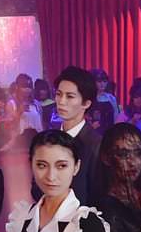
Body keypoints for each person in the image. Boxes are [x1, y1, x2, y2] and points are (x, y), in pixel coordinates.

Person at [33, 66, 102, 205]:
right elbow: (35, 187)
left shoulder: (96, 144)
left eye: (70, 96)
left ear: (86, 103)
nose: (61, 101)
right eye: (59, 94)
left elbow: (96, 195)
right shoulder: (47, 139)